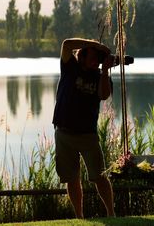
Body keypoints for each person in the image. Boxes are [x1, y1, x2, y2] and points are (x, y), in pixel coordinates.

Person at [52, 37, 115, 219]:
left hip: (88, 135)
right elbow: (66, 44)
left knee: (98, 176)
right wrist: (96, 45)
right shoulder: (70, 67)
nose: (96, 61)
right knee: (71, 179)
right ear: (83, 57)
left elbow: (103, 96)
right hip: (64, 133)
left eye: (99, 58)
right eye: (93, 57)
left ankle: (111, 214)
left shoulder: (101, 77)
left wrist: (104, 72)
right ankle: (79, 217)